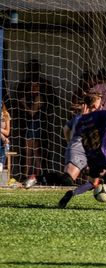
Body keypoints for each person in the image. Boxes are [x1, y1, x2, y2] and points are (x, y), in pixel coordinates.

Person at [16, 59, 58, 187]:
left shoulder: (44, 88)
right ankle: (26, 177)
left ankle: (38, 177)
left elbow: (52, 103)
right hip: (28, 125)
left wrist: (25, 105)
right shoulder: (23, 85)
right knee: (28, 152)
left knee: (38, 153)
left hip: (40, 125)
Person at [0, 103, 11, 167]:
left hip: (2, 144)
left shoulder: (6, 114)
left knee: (1, 168)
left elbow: (7, 132)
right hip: (4, 140)